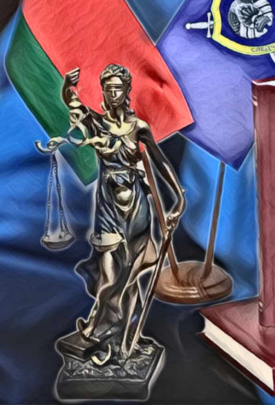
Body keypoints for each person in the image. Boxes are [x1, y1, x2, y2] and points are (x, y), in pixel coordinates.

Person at [56, 64, 185, 363]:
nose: (113, 94)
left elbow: (161, 163)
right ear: (103, 91)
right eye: (108, 88)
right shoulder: (97, 124)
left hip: (136, 206)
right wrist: (66, 86)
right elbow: (72, 103)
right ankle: (98, 328)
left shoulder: (139, 127)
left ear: (127, 91)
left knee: (131, 272)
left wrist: (178, 198)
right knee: (110, 274)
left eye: (118, 88)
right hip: (107, 206)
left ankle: (123, 334)